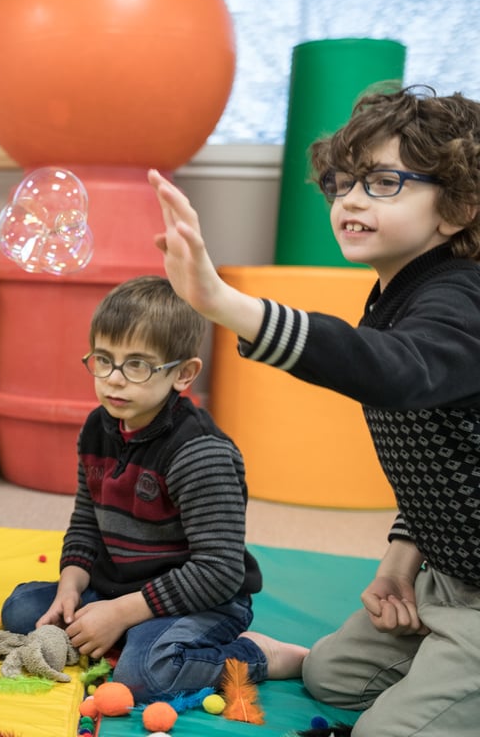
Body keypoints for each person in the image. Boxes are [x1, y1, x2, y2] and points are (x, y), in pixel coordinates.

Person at [150, 85, 480, 735]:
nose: (350, 199)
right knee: (331, 676)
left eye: (385, 182)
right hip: (444, 575)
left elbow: (397, 372)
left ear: (460, 207)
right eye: (342, 181)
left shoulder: (462, 299)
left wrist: (226, 304)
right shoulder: (398, 292)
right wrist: (402, 557)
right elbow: (451, 453)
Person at [0, 275, 307, 702]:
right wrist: (70, 586)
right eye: (104, 360)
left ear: (183, 374)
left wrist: (122, 612)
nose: (114, 380)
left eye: (138, 365)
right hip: (120, 586)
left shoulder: (200, 452)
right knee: (21, 612)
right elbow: (87, 521)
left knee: (145, 675)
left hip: (201, 599)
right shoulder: (97, 427)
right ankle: (129, 631)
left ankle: (258, 655)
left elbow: (219, 572)